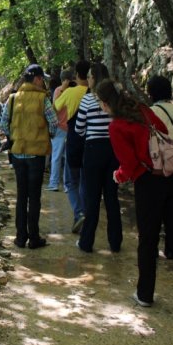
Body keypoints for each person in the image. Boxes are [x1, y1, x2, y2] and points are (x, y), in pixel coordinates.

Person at [95, 79, 173, 307]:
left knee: (148, 240)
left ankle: (145, 294)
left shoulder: (117, 127)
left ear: (105, 103)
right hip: (170, 172)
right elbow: (162, 131)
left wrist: (117, 176)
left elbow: (128, 166)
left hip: (148, 182)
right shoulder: (144, 109)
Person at [0, 64, 57, 249]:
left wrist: (15, 136)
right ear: (38, 79)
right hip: (37, 155)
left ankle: (20, 237)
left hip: (18, 154)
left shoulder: (13, 98)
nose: (44, 82)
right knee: (34, 197)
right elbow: (54, 123)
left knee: (21, 196)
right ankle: (34, 238)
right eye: (43, 79)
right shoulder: (44, 99)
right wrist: (46, 136)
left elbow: (3, 125)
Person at [74, 62, 122, 253]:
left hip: (93, 150)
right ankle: (115, 242)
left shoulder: (87, 100)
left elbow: (79, 129)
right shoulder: (116, 99)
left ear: (95, 78)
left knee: (92, 199)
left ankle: (86, 243)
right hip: (113, 150)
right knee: (112, 197)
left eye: (90, 77)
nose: (88, 80)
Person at [53, 60, 90, 233]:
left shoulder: (71, 92)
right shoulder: (96, 93)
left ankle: (79, 212)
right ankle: (85, 213)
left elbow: (56, 106)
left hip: (74, 138)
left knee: (69, 180)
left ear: (76, 75)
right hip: (92, 141)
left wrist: (64, 88)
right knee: (84, 179)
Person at [147, 74, 173, 259]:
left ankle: (152, 249)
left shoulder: (151, 113)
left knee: (155, 210)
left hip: (159, 167)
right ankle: (172, 249)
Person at [46, 69, 74, 191]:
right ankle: (61, 184)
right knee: (62, 157)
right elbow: (57, 107)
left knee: (60, 157)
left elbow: (55, 108)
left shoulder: (64, 90)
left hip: (64, 127)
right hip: (65, 128)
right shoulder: (64, 90)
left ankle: (58, 184)